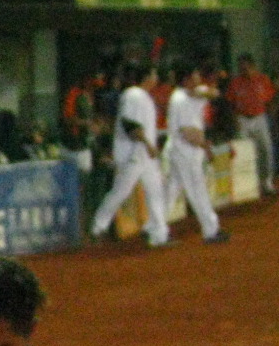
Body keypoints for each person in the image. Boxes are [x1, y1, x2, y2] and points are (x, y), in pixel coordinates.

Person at [91, 62, 169, 247]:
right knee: (121, 191)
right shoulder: (133, 95)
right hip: (133, 153)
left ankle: (159, 234)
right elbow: (129, 124)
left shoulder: (142, 96)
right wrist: (148, 144)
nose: (156, 79)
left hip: (144, 155)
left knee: (156, 191)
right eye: (154, 75)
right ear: (148, 77)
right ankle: (98, 226)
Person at [161, 61, 229, 244]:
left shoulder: (189, 94)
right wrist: (205, 146)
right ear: (187, 79)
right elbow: (188, 132)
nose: (200, 78)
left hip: (180, 149)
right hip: (186, 150)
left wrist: (197, 91)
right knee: (197, 190)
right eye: (196, 75)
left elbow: (215, 93)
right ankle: (211, 230)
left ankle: (155, 227)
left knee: (171, 190)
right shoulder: (181, 99)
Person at [226, 53, 275, 196]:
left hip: (260, 117)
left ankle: (267, 182)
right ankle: (249, 185)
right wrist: (235, 120)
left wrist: (269, 115)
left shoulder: (262, 80)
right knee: (245, 152)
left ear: (252, 65)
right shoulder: (236, 82)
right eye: (241, 67)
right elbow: (230, 103)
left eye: (245, 66)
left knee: (265, 150)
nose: (243, 69)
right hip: (242, 119)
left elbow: (271, 98)